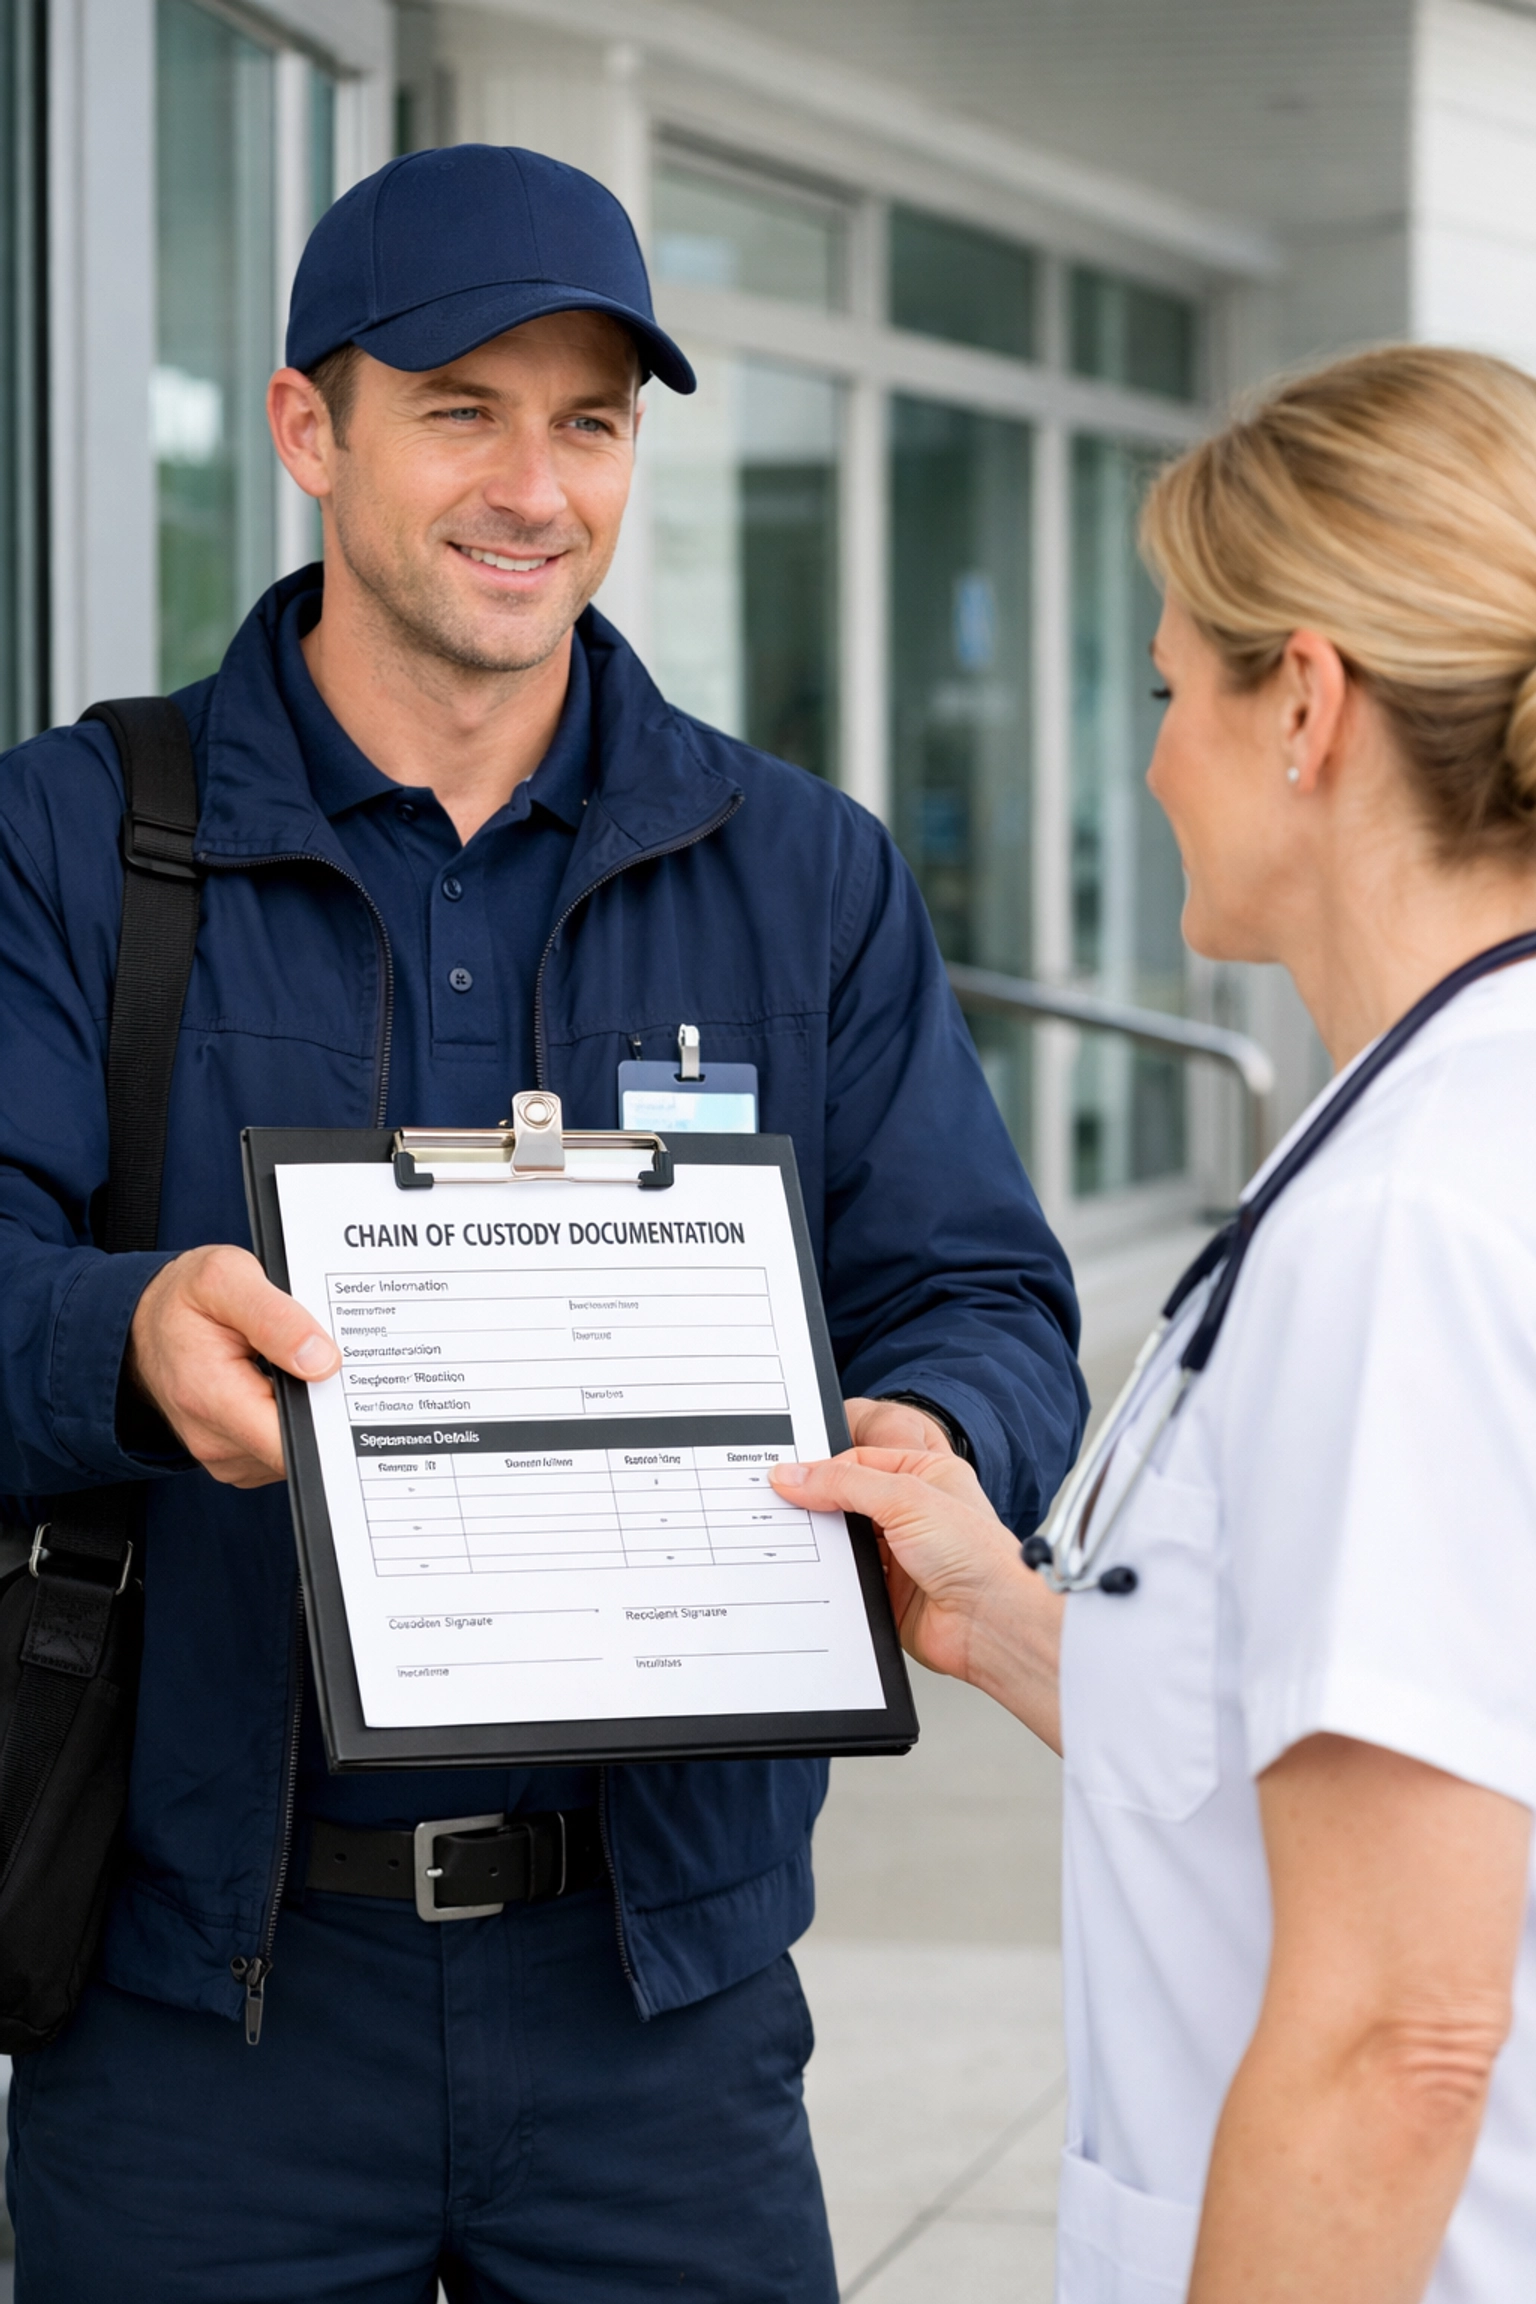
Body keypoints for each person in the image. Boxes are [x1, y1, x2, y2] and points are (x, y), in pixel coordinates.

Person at [0, 144, 1083, 2301]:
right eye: (461, 407)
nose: (535, 485)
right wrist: (126, 1339)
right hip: (200, 2009)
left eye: (588, 419)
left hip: (653, 2021)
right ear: (309, 430)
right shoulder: (74, 839)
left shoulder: (803, 870)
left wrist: (937, 1435)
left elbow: (982, 1294)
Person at [777, 345, 1536, 2303]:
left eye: (1167, 690)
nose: (1146, 766)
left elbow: (1399, 2036)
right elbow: (1370, 1712)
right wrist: (997, 1611)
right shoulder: (1441, 1128)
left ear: (1307, 704)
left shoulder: (1414, 1221)